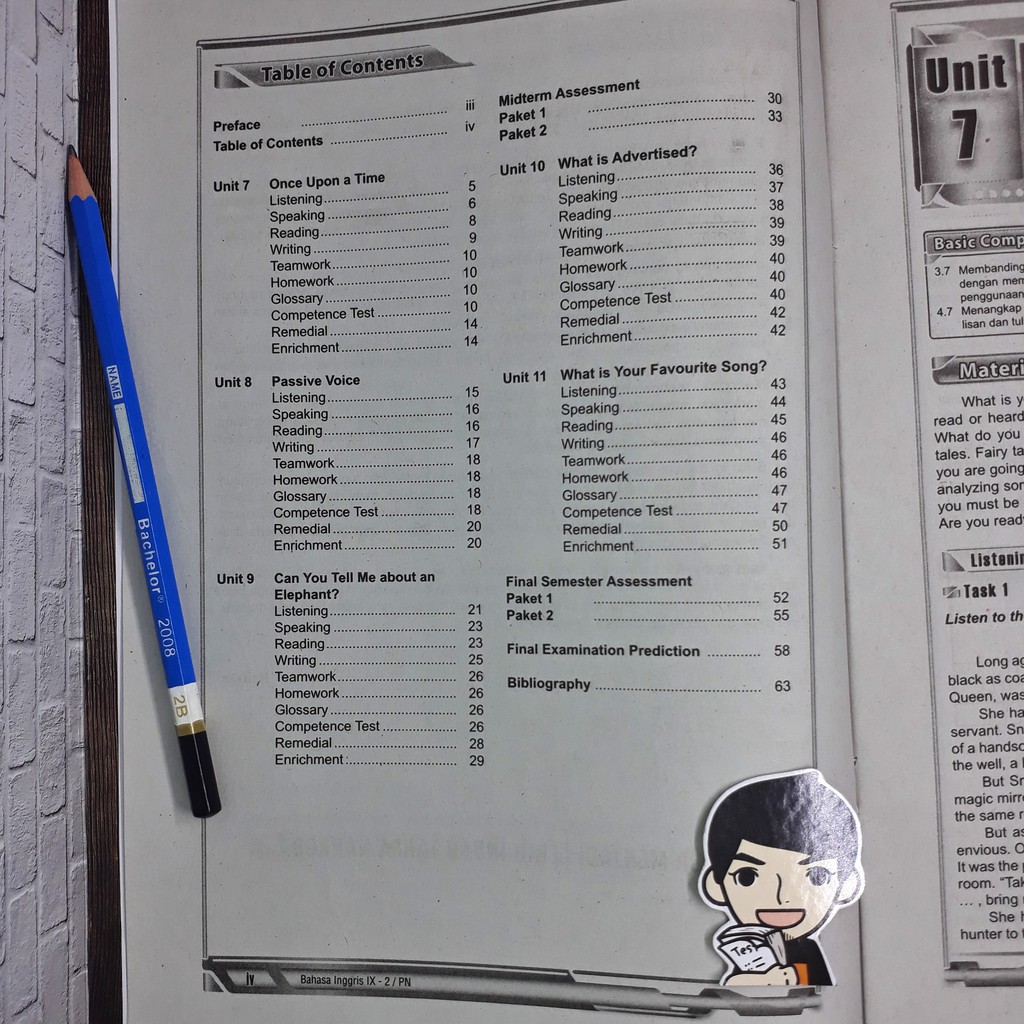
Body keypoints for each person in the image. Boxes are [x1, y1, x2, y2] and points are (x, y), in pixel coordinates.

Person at [699, 769, 864, 987]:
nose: (781, 896)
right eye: (748, 877)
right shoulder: (746, 943)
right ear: (716, 885)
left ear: (847, 885)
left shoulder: (807, 950)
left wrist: (790, 977)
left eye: (817, 876)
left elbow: (815, 981)